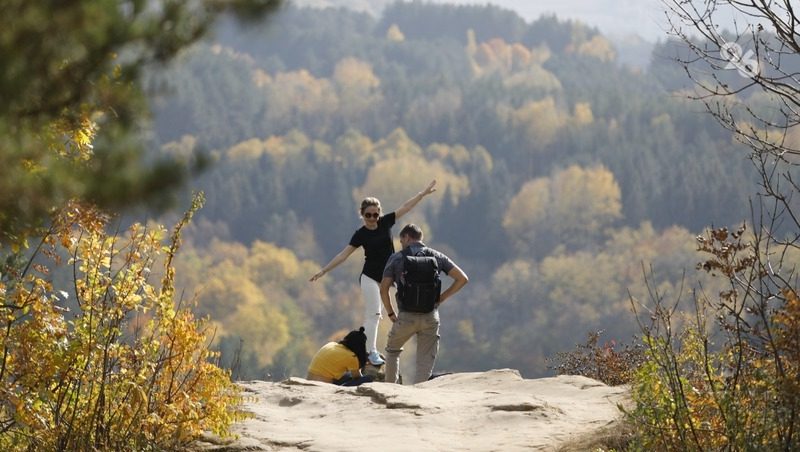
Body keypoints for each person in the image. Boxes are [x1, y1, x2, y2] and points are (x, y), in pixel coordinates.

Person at [309, 180, 437, 366]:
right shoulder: (360, 234)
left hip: (387, 277)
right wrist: (323, 270)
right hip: (369, 277)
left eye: (376, 214)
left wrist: (422, 194)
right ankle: (371, 352)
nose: (373, 218)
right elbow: (343, 255)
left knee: (392, 310)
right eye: (368, 215)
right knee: (374, 314)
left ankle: (379, 348)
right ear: (362, 215)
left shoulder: (385, 223)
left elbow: (405, 208)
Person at [379, 224, 468, 384]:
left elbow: (384, 288)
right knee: (425, 360)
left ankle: (390, 390)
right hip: (430, 316)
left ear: (406, 237)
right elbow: (462, 278)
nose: (401, 244)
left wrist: (391, 312)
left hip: (406, 316)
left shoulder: (397, 258)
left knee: (392, 351)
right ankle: (419, 394)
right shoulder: (437, 256)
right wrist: (440, 298)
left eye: (401, 240)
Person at [307, 327, 374, 386]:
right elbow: (357, 377)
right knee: (368, 378)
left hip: (310, 380)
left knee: (348, 375)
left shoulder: (331, 344)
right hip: (322, 385)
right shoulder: (352, 357)